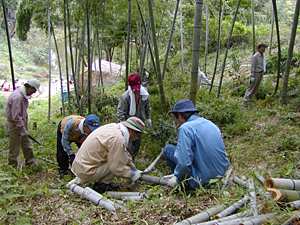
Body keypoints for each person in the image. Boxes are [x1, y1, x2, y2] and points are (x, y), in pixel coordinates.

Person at [163, 99, 230, 189]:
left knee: (168, 149)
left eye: (175, 118)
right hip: (219, 176)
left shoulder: (185, 128)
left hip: (202, 180)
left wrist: (178, 178)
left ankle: (185, 186)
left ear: (179, 115)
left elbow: (184, 163)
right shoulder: (210, 124)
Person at [68, 116, 146, 193]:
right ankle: (101, 185)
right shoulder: (118, 139)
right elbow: (116, 167)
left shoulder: (113, 128)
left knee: (123, 156)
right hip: (86, 170)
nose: (136, 139)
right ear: (131, 131)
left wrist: (133, 168)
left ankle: (76, 182)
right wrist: (131, 174)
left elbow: (123, 151)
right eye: (137, 135)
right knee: (120, 160)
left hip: (81, 166)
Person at [5, 78, 42, 168]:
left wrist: (24, 127)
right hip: (14, 125)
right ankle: (12, 166)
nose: (34, 93)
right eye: (34, 90)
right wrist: (22, 129)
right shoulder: (18, 97)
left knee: (26, 144)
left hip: (21, 123)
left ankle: (30, 161)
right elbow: (16, 117)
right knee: (14, 147)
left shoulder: (23, 95)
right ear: (30, 87)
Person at [117, 74, 151, 159]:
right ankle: (128, 161)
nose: (135, 90)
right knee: (128, 146)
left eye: (137, 88)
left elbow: (147, 106)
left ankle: (133, 159)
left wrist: (148, 118)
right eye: (133, 88)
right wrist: (123, 126)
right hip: (128, 125)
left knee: (137, 143)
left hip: (139, 123)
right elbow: (121, 112)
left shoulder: (145, 94)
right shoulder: (125, 97)